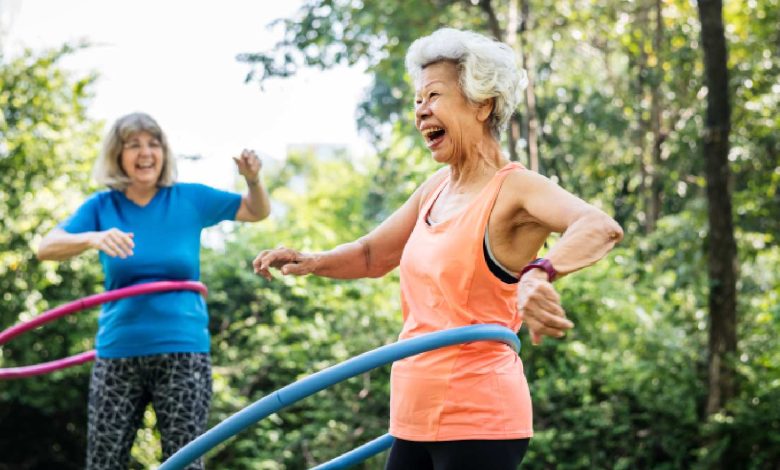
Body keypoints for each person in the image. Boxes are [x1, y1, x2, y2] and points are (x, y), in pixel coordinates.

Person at [252, 28, 623, 470]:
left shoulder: (515, 188)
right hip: (412, 417)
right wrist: (313, 261)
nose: (420, 110)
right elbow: (373, 256)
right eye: (416, 100)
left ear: (483, 104)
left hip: (478, 418)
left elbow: (599, 226)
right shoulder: (434, 190)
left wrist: (540, 272)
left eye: (433, 95)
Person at [36, 112, 270, 470]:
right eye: (134, 144)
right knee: (103, 463)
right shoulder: (102, 206)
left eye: (153, 143)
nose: (145, 153)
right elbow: (46, 247)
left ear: (163, 152)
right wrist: (92, 237)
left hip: (183, 353)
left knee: (185, 463)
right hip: (117, 352)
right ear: (118, 154)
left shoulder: (190, 198)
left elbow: (256, 211)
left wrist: (253, 180)